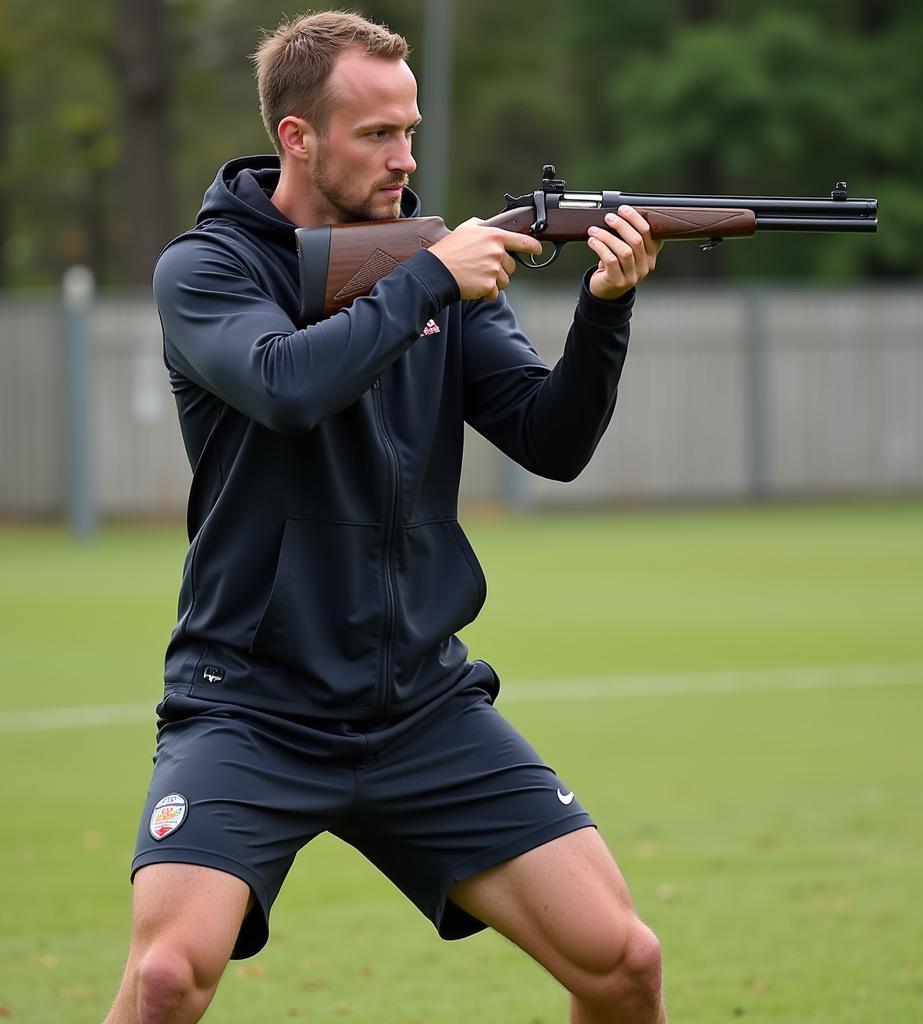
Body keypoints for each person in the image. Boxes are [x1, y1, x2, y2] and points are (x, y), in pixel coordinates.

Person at [105, 10, 667, 1023]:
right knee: (163, 979)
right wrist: (426, 281)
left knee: (623, 962)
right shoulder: (207, 269)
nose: (406, 157)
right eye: (377, 134)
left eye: (411, 131)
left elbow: (551, 438)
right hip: (249, 705)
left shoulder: (434, 262)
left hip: (419, 703)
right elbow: (283, 385)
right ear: (297, 137)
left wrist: (605, 309)